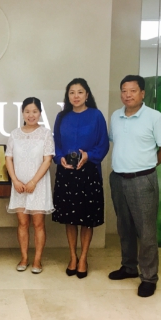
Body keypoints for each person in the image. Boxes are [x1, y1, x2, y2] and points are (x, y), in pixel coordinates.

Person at [108, 74, 161, 298]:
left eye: (133, 91)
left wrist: (148, 166)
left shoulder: (155, 117)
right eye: (124, 91)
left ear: (142, 93)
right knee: (124, 227)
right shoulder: (116, 116)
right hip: (118, 179)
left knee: (146, 231)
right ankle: (128, 267)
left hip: (143, 180)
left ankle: (149, 277)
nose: (128, 95)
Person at [52, 78, 109, 279]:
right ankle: (72, 256)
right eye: (72, 92)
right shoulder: (61, 116)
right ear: (67, 96)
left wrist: (89, 156)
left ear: (87, 95)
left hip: (89, 172)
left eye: (80, 92)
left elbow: (103, 144)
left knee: (87, 219)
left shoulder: (96, 115)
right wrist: (60, 158)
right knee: (70, 218)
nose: (76, 96)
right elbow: (56, 144)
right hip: (66, 172)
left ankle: (83, 257)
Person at [5, 97, 55, 274]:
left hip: (38, 185)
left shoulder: (45, 134)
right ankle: (24, 258)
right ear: (22, 113)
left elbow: (47, 160)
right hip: (19, 185)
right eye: (27, 111)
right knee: (22, 223)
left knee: (38, 224)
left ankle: (37, 260)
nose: (31, 115)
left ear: (40, 113)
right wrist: (15, 181)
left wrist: (33, 182)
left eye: (34, 111)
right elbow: (8, 158)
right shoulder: (15, 134)